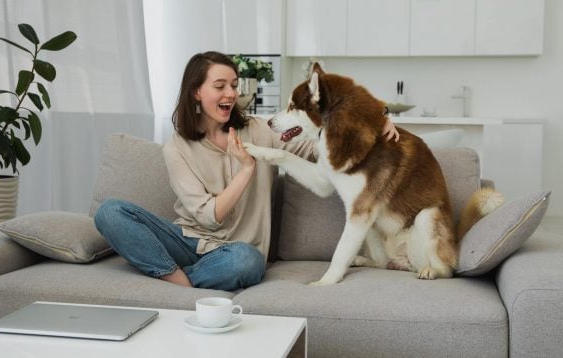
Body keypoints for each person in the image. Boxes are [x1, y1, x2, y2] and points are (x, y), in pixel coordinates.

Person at [94, 51, 399, 291]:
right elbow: (208, 217)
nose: (230, 94)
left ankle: (174, 280)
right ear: (196, 92)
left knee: (247, 263)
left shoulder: (258, 130)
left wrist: (373, 122)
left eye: (234, 85)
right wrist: (246, 169)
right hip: (185, 241)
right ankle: (180, 279)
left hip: (237, 253)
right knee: (110, 212)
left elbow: (317, 147)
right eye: (220, 86)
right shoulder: (177, 147)